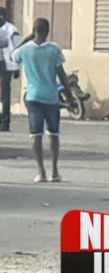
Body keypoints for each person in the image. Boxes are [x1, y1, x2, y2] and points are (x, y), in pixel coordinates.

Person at [12, 18, 74, 183]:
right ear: (48, 31)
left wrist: (27, 38)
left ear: (34, 30)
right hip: (51, 97)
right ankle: (54, 171)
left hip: (32, 96)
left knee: (35, 135)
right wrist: (69, 98)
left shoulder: (25, 49)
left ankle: (41, 172)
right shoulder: (54, 50)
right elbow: (61, 74)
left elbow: (13, 56)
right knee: (53, 134)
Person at [0, 7, 22, 132]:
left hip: (6, 64)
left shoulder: (12, 30)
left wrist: (17, 67)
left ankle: (5, 122)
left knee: (5, 94)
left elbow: (19, 48)